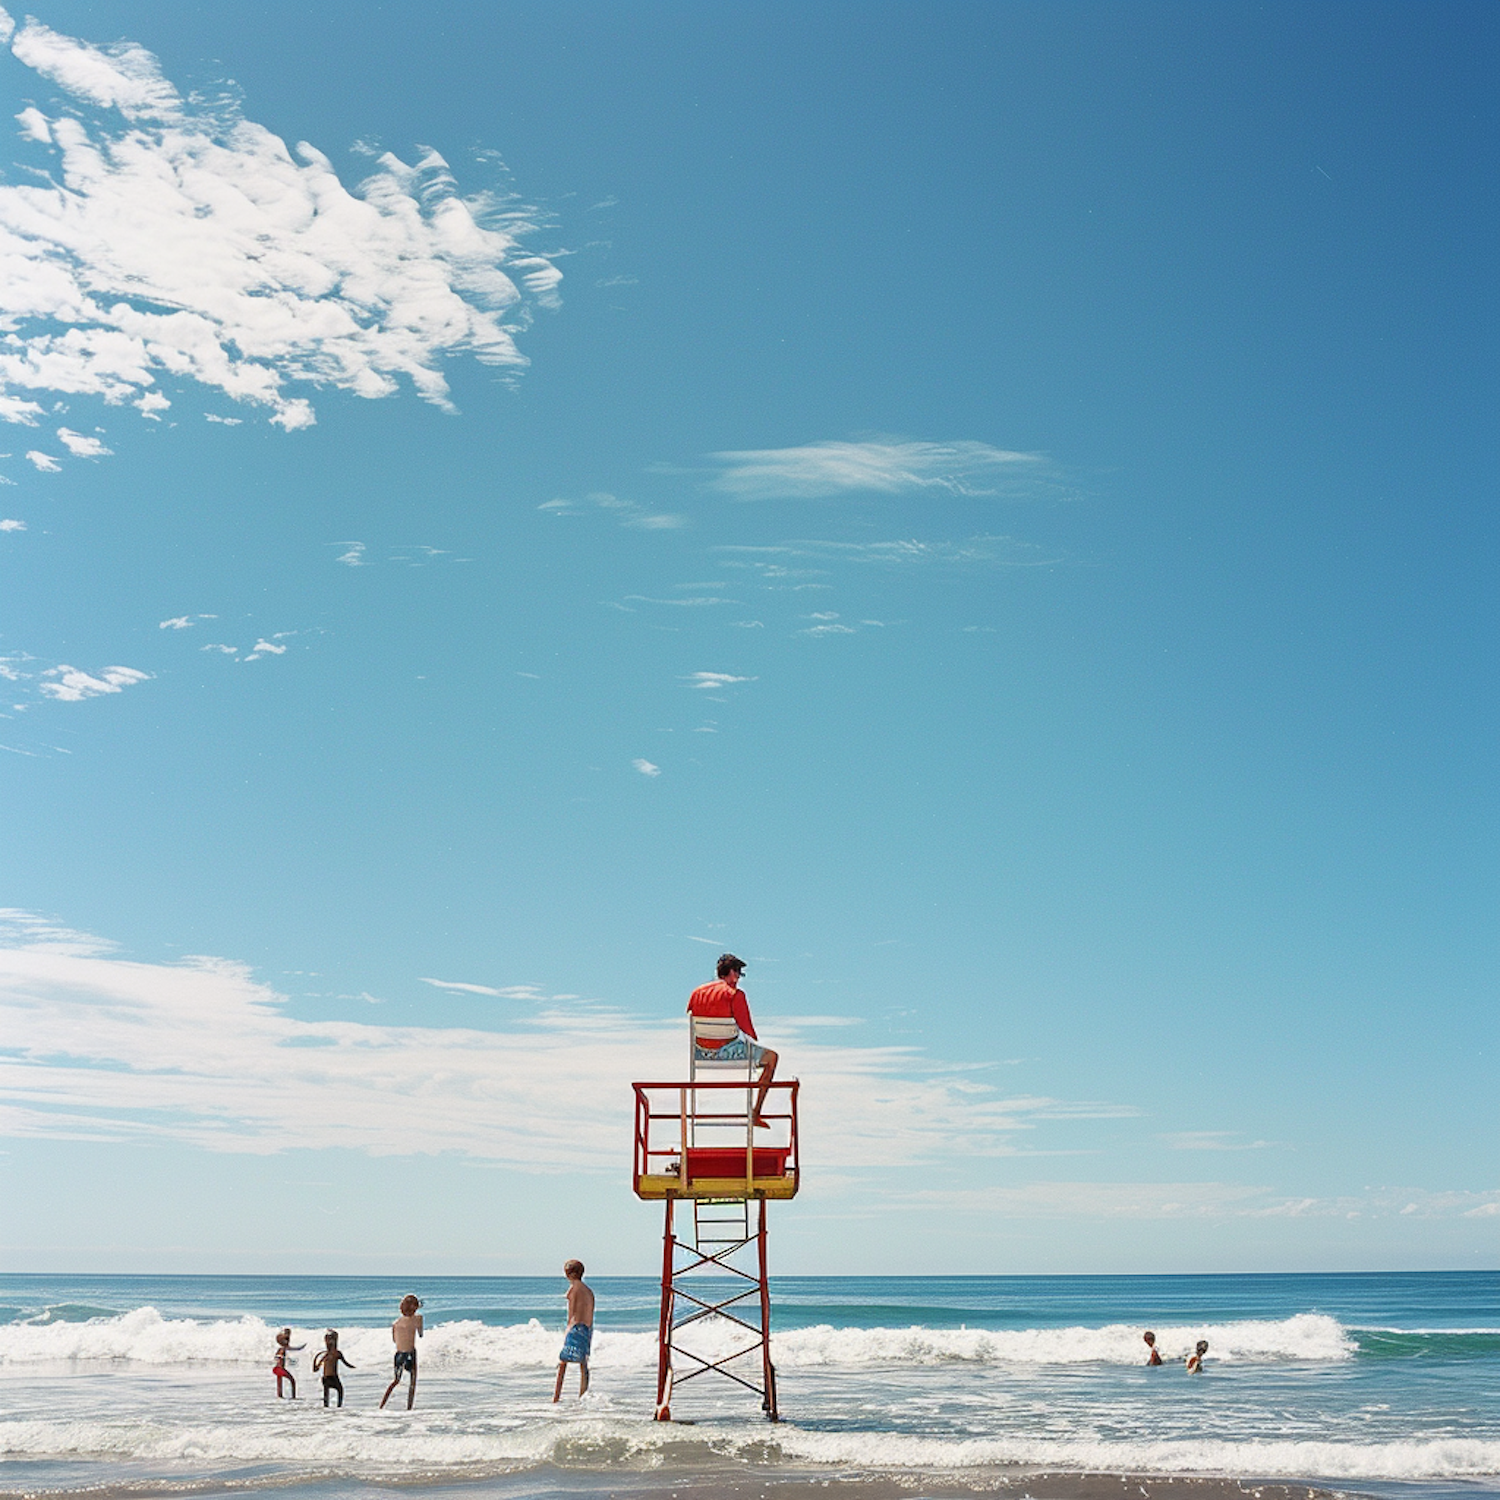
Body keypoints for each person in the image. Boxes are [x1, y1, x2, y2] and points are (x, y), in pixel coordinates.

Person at [687, 954, 779, 1127]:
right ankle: (755, 1113)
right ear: (731, 972)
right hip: (725, 1051)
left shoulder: (696, 993)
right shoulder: (735, 994)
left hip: (700, 1052)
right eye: (737, 973)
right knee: (772, 1058)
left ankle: (692, 1115)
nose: (737, 978)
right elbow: (747, 1029)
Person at [552, 1259, 595, 1402]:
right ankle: (583, 1395)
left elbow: (572, 1314)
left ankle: (556, 1397)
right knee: (583, 1363)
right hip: (587, 1329)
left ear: (569, 1274)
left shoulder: (573, 1290)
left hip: (575, 1327)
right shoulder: (589, 1291)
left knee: (563, 1361)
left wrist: (567, 1330)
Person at [380, 1294, 424, 1409]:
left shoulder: (396, 1323)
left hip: (399, 1354)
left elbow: (395, 1340)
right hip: (410, 1353)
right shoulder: (418, 1318)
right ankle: (409, 1408)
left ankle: (382, 1405)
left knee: (396, 1381)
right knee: (412, 1382)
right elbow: (420, 1334)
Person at [313, 1329, 355, 1407]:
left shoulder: (325, 1355)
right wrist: (355, 1367)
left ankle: (326, 1407)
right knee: (340, 1390)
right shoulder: (337, 1353)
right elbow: (346, 1364)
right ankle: (339, 1407)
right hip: (333, 1378)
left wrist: (315, 1362)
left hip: (325, 1378)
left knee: (327, 1394)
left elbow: (315, 1370)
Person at [272, 1328, 304, 1399]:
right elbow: (292, 1349)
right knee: (292, 1381)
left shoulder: (280, 1349)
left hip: (276, 1368)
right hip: (280, 1368)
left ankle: (279, 1395)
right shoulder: (283, 1349)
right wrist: (300, 1348)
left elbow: (276, 1358)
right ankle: (293, 1396)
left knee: (279, 1382)